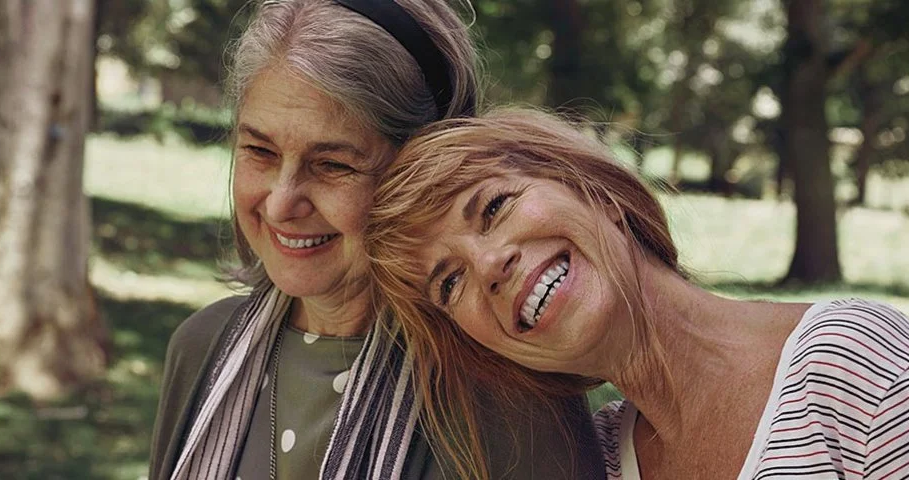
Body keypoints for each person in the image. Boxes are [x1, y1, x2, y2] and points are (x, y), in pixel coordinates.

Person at [365, 108, 909, 479]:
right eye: (448, 283)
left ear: (591, 189)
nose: (489, 264)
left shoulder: (853, 365)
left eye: (493, 208)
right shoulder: (588, 463)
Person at [147, 3, 602, 480]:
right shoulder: (202, 350)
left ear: (423, 174)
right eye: (260, 151)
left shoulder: (509, 396)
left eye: (333, 165)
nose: (281, 204)